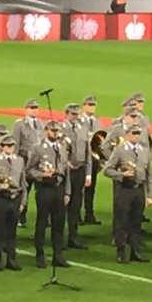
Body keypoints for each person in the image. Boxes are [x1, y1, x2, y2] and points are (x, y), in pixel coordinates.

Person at [103, 123, 152, 264]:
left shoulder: (144, 151)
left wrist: (150, 194)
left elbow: (149, 174)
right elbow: (107, 170)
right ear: (127, 135)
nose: (136, 136)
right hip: (124, 189)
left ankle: (135, 251)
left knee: (136, 222)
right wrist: (121, 174)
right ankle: (121, 252)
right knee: (121, 222)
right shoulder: (119, 150)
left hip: (139, 190)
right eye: (134, 133)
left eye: (138, 133)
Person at [27, 120, 70, 269]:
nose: (55, 133)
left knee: (59, 224)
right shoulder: (38, 149)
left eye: (57, 131)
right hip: (44, 189)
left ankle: (58, 254)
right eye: (53, 131)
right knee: (42, 222)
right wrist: (42, 175)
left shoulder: (62, 148)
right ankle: (40, 254)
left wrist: (67, 192)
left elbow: (66, 171)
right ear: (46, 131)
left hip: (59, 189)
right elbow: (29, 170)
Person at [0, 134, 26, 271]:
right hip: (1, 199)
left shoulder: (19, 160)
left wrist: (23, 201)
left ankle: (11, 259)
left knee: (12, 232)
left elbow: (23, 182)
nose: (10, 148)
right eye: (7, 146)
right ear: (2, 147)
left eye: (12, 145)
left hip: (15, 198)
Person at [59, 102, 91, 249]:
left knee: (76, 205)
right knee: (62, 204)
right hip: (66, 171)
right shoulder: (60, 129)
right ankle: (59, 237)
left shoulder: (83, 129)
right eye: (72, 114)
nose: (75, 117)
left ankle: (73, 236)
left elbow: (88, 153)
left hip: (80, 170)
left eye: (77, 114)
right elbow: (58, 150)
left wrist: (88, 173)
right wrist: (65, 164)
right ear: (66, 114)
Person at [11, 98, 41, 226]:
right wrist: (15, 163)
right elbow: (15, 144)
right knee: (24, 189)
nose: (34, 111)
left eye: (35, 108)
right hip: (24, 160)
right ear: (26, 110)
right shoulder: (19, 125)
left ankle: (43, 217)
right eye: (31, 108)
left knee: (40, 191)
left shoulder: (40, 124)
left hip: (38, 162)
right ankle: (20, 216)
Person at [80, 95, 101, 225]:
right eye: (89, 105)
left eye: (93, 105)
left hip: (94, 158)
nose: (92, 107)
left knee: (91, 188)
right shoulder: (79, 120)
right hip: (81, 158)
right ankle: (76, 215)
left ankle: (89, 213)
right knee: (78, 189)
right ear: (84, 106)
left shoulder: (97, 121)